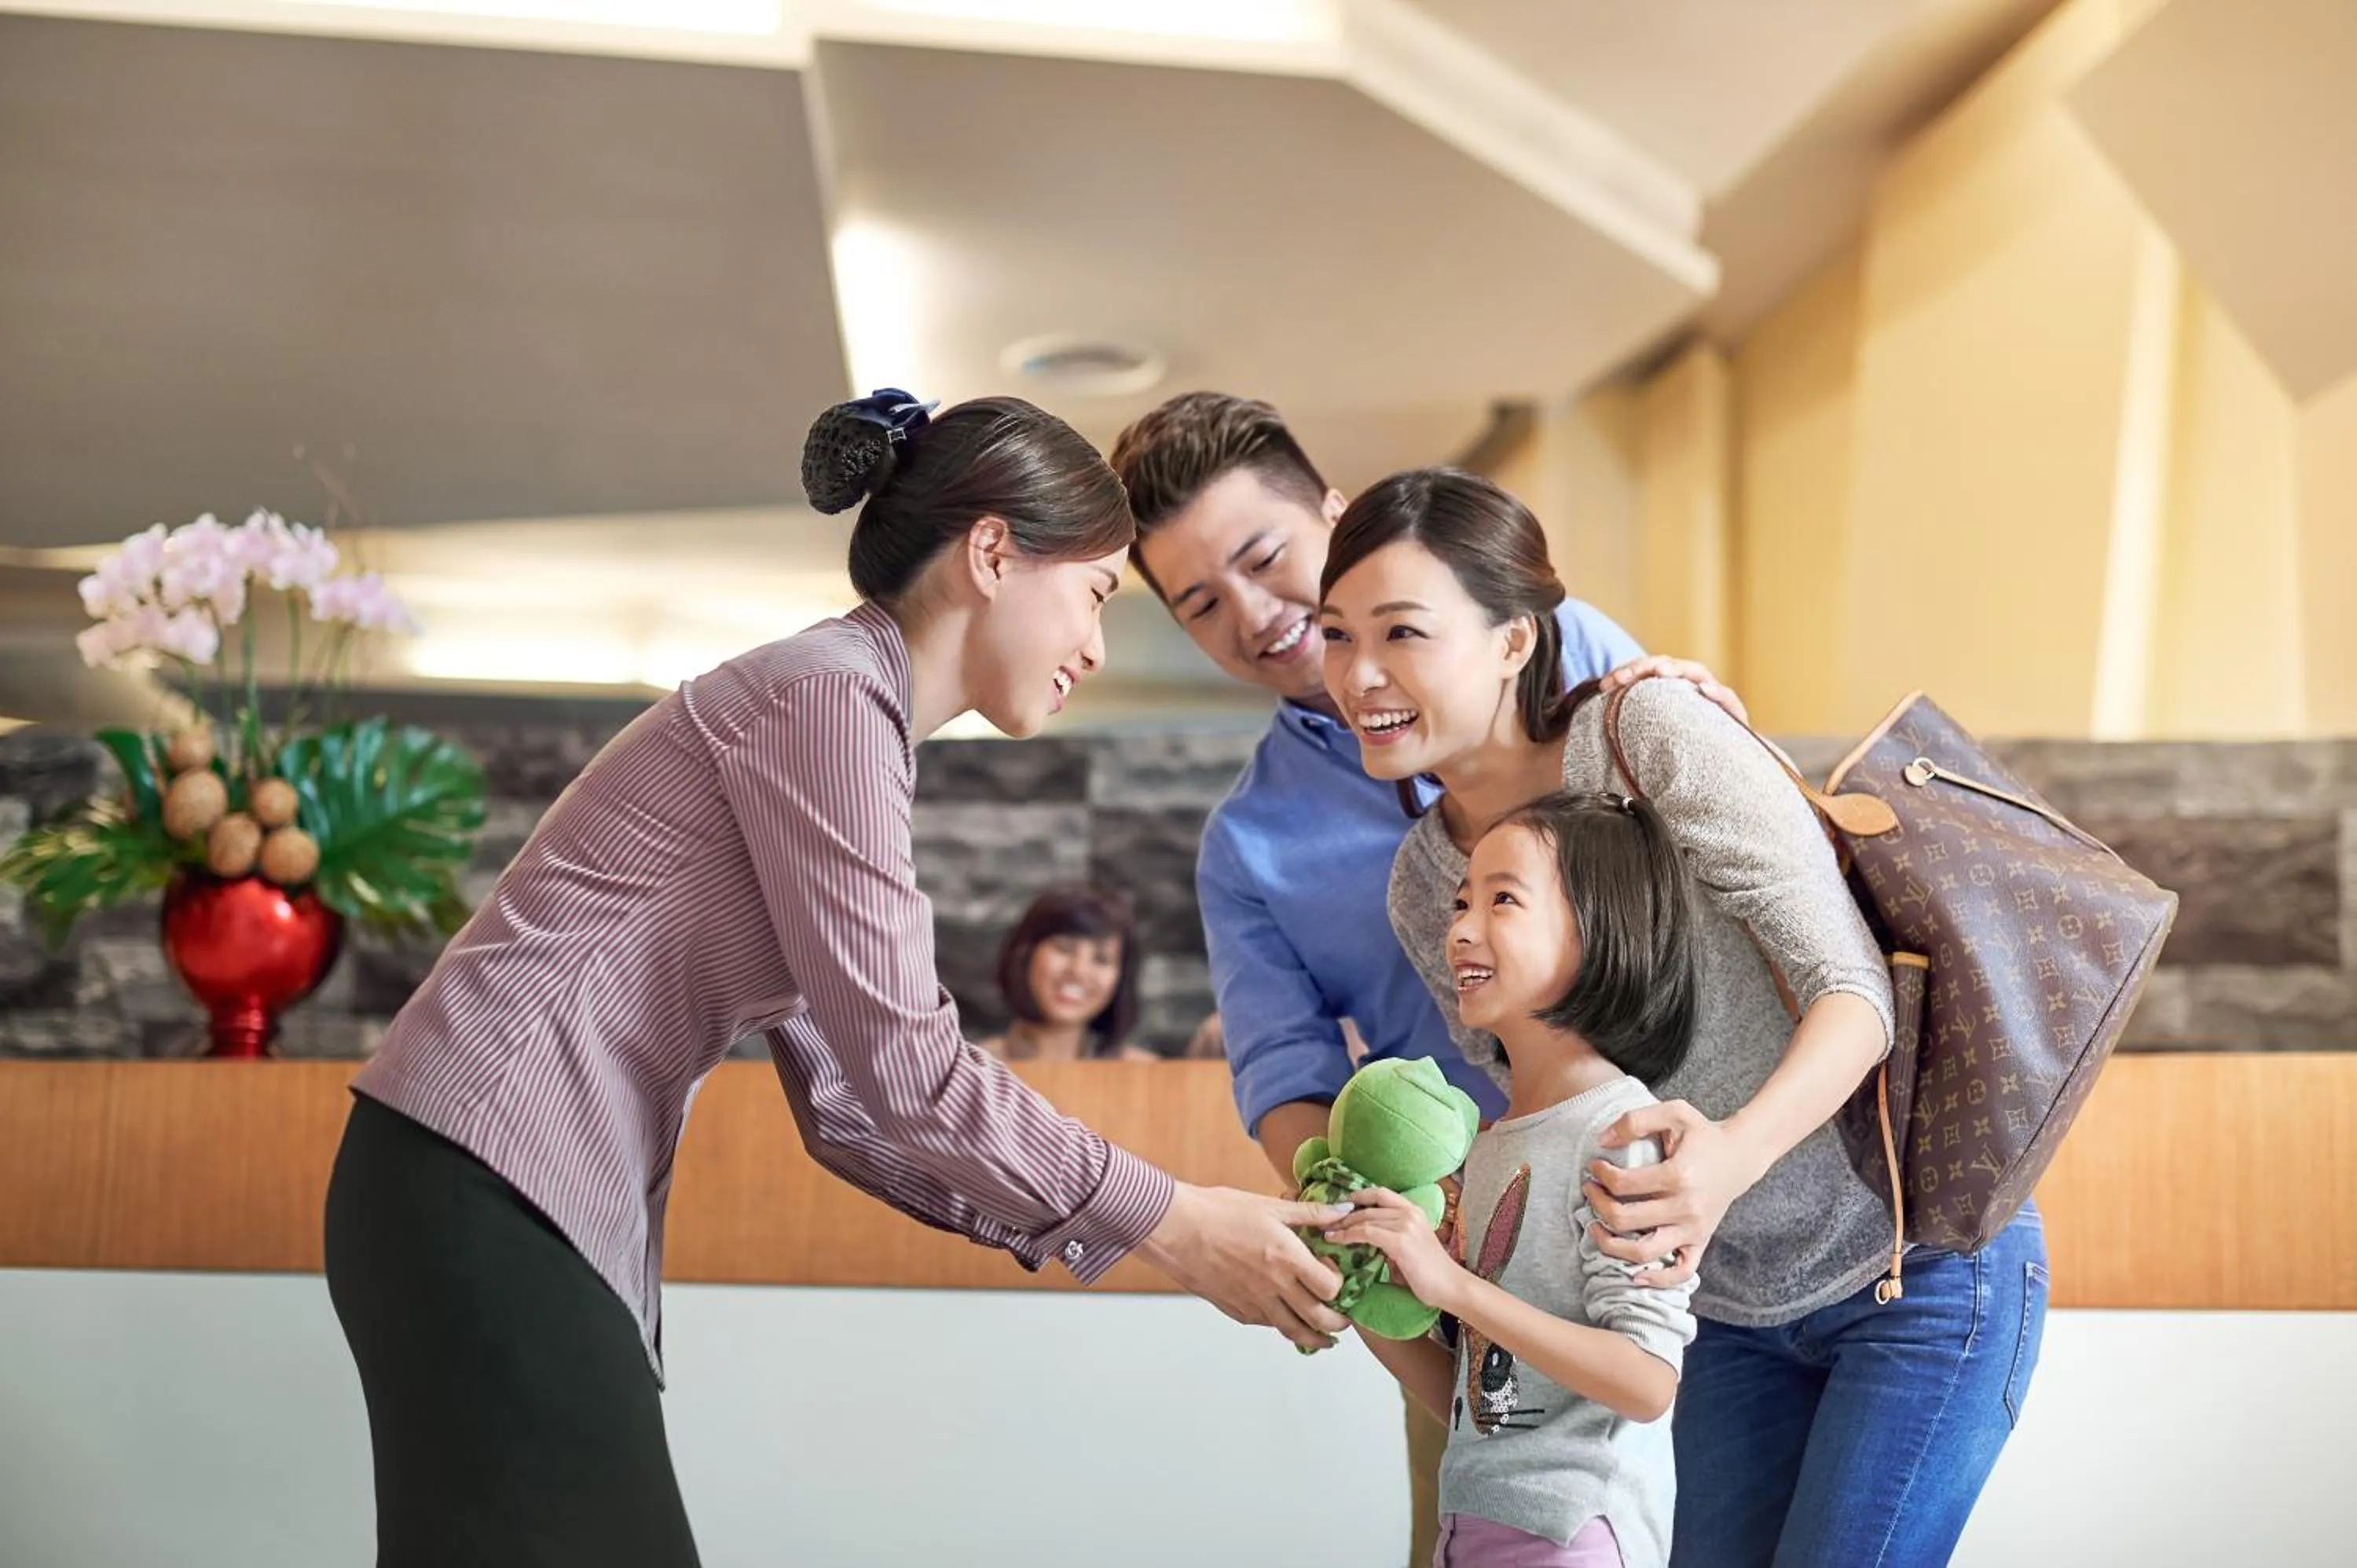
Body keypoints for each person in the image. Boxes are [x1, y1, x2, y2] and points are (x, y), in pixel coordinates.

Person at [322, 390, 1353, 1567]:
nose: (1093, 647)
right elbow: (911, 1074)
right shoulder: (829, 700)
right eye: (1098, 592)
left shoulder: (843, 716)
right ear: (995, 552)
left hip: (476, 1187)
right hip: (480, 1182)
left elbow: (861, 1112)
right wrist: (1171, 1219)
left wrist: (1116, 1232)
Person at [1321, 467, 2047, 1568]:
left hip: (1908, 1269)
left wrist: (1723, 1162)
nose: (1358, 674)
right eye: (1334, 636)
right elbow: (1549, 1113)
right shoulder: (1428, 886)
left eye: (1402, 633)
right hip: (1716, 1320)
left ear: (1516, 641)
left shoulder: (1648, 733)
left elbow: (1855, 996)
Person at [1109, 391, 1739, 1566]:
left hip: (1679, 1237)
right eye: (1201, 601)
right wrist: (1402, 1312)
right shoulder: (1251, 847)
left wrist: (1700, 720)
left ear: (1338, 520)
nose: (1258, 615)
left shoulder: (1564, 650)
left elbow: (1720, 878)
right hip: (1468, 1291)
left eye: (1264, 557)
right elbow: (1290, 1088)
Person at [1330, 790, 1703, 1567]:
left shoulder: (1623, 1134)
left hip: (1573, 1535)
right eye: (1463, 899)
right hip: (1474, 1526)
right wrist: (1362, 1285)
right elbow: (1476, 1404)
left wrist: (1453, 1286)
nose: (1461, 926)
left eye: (1503, 899)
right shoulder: (1494, 1145)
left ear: (1599, 934)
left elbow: (1645, 1381)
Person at [976, 882, 1157, 1062]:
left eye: (1101, 959)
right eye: (1065, 949)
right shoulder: (969, 1070)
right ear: (1026, 953)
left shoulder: (1147, 1074)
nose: (1078, 971)